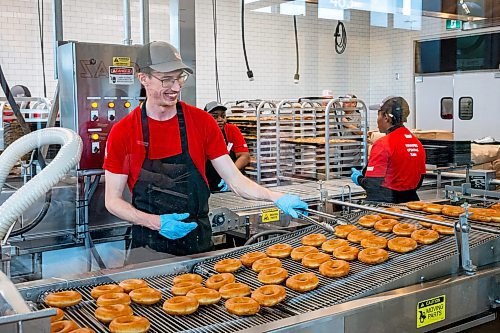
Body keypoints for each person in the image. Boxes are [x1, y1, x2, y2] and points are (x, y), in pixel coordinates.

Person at [103, 41, 307, 262]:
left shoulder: (201, 122)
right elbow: (112, 200)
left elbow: (235, 181)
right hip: (147, 246)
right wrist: (155, 222)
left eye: (180, 77)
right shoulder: (123, 132)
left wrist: (276, 197)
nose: (176, 87)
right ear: (144, 78)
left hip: (198, 243)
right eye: (166, 79)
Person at [350, 96, 426, 203]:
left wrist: (358, 179)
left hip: (386, 205)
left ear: (386, 117)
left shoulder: (383, 144)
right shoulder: (416, 143)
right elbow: (419, 180)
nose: (377, 120)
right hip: (410, 203)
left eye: (378, 115)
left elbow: (373, 185)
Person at [204, 101, 250, 192]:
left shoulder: (232, 130)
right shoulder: (200, 134)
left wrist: (230, 175)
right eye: (215, 116)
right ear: (205, 117)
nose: (220, 119)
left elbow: (245, 157)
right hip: (208, 184)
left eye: (223, 116)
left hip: (231, 184)